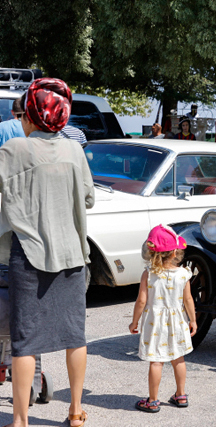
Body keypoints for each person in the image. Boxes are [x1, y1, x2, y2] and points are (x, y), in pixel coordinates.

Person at [0, 78, 94, 427]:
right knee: (75, 335)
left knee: (24, 341)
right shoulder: (74, 151)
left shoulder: (13, 151)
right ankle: (75, 410)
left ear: (30, 115)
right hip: (72, 255)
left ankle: (20, 421)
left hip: (29, 257)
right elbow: (88, 198)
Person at [129, 224, 197, 413]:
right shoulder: (184, 274)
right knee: (178, 358)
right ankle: (181, 395)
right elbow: (188, 299)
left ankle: (152, 401)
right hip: (177, 321)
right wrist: (193, 320)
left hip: (155, 323)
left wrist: (134, 322)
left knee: (156, 361)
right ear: (175, 252)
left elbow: (141, 301)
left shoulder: (149, 274)